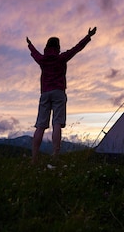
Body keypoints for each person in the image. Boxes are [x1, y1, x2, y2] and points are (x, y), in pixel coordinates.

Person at [26, 27, 97, 163]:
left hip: (45, 93)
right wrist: (88, 36)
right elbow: (77, 48)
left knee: (40, 126)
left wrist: (29, 44)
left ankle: (34, 158)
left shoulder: (42, 59)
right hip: (58, 92)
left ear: (47, 47)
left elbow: (35, 53)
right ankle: (55, 156)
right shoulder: (62, 58)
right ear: (58, 47)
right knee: (57, 123)